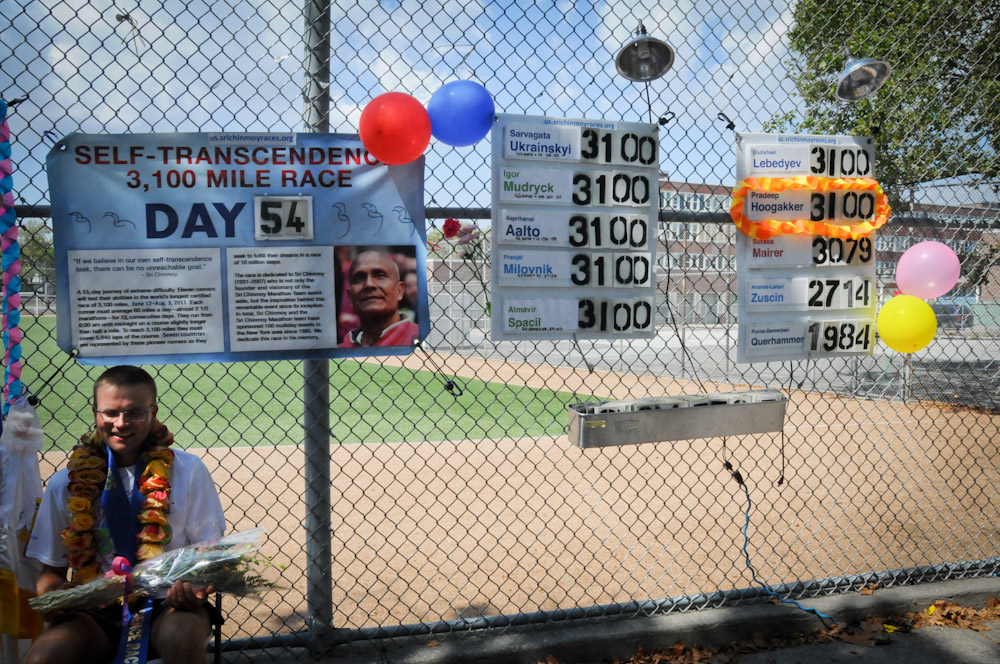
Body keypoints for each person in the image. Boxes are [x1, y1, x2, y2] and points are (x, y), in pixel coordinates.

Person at [24, 366, 226, 664]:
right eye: (110, 413)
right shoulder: (66, 483)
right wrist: (55, 598)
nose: (121, 423)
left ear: (153, 412)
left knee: (181, 639)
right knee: (45, 655)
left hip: (169, 604)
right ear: (95, 413)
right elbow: (50, 572)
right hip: (94, 609)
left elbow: (208, 556)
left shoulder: (188, 470)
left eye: (134, 413)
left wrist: (193, 589)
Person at [339, 250, 420, 347]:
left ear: (399, 291)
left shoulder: (425, 339)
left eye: (380, 275)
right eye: (360, 278)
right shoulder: (340, 350)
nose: (369, 284)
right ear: (350, 297)